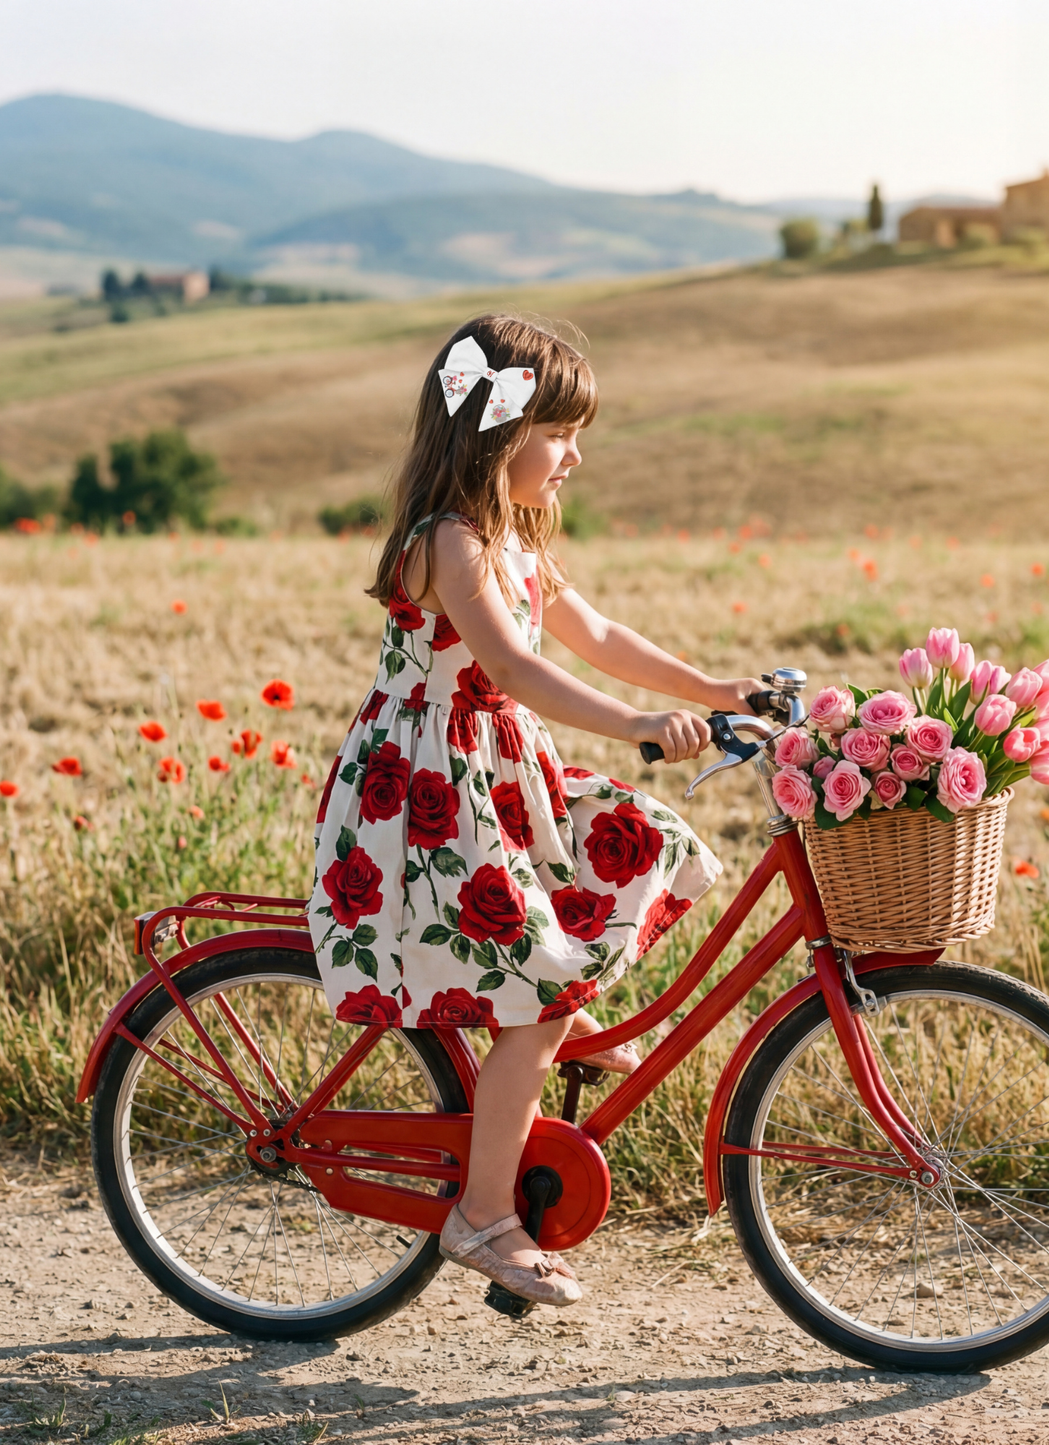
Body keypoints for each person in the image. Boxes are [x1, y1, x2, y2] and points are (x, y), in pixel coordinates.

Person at [309, 314, 757, 1307]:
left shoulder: (509, 538)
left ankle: (559, 1019)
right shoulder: (448, 543)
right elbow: (510, 666)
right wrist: (641, 723)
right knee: (535, 997)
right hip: (432, 794)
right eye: (558, 432)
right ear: (498, 431)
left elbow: (593, 630)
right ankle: (480, 1213)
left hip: (494, 777)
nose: (574, 455)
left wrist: (717, 688)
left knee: (637, 834)